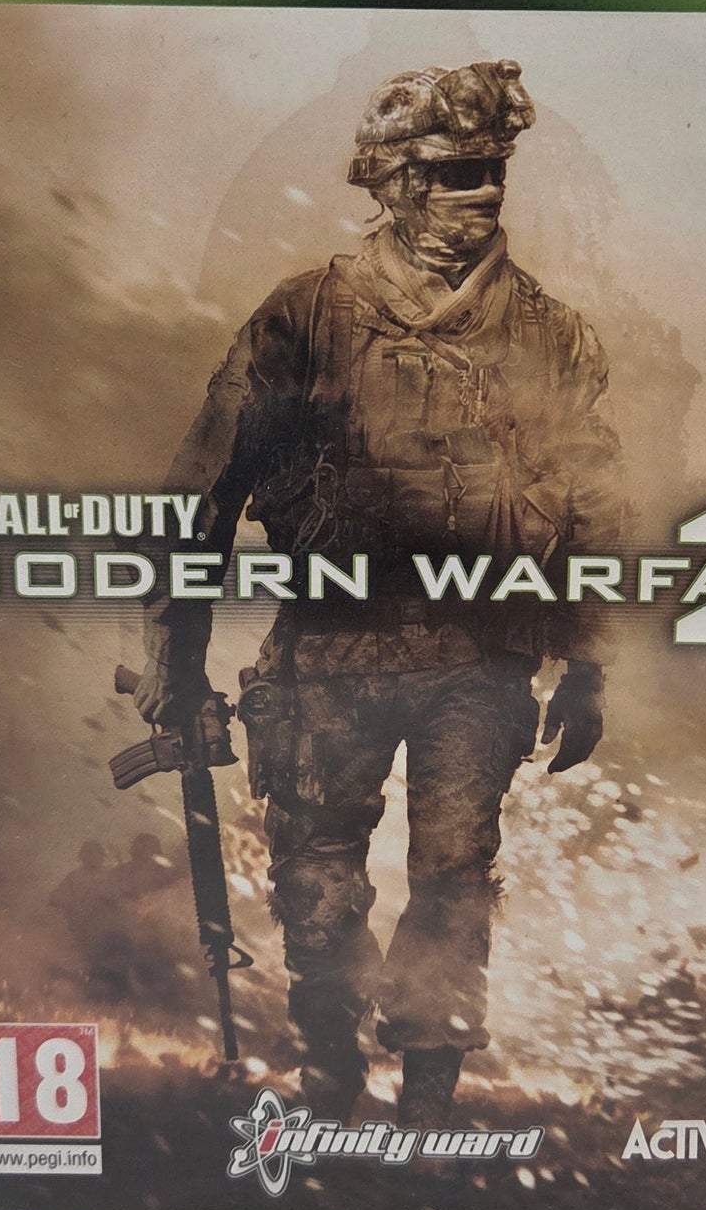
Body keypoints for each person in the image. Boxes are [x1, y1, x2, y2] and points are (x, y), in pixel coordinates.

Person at [136, 60, 624, 1124]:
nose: (478, 193)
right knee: (317, 885)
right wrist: (174, 658)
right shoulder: (306, 317)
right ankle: (329, 1072)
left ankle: (430, 1096)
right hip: (329, 653)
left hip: (477, 659)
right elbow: (202, 494)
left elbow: (592, 505)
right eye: (451, 172)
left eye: (490, 170)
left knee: (455, 877)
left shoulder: (549, 333)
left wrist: (588, 665)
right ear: (396, 181)